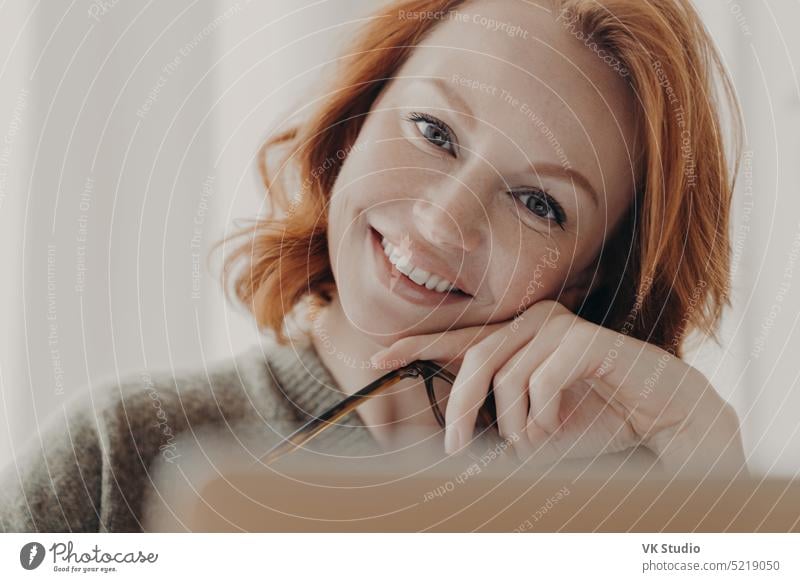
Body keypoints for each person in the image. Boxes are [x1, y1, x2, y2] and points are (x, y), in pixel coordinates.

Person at [0, 0, 746, 533]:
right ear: (356, 118)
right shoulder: (120, 459)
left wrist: (710, 470)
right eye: (433, 131)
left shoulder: (637, 516)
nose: (444, 219)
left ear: (588, 279)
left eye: (537, 203)